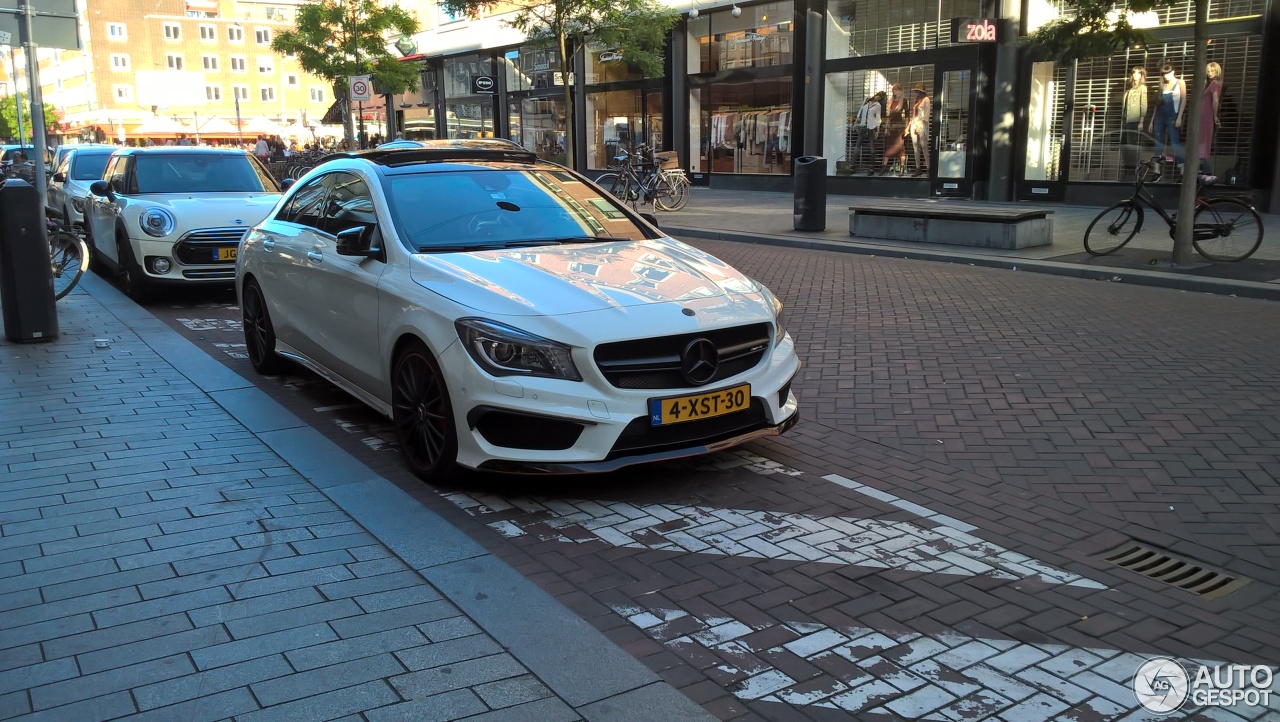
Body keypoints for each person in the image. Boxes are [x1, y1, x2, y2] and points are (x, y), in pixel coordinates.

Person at [1149, 63, 1186, 176]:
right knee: (1158, 143)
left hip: (1172, 116)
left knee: (1175, 143)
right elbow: (1157, 104)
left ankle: (1182, 172)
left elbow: (1183, 100)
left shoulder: (1180, 82)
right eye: (1164, 74)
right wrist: (1151, 120)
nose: (1166, 76)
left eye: (1167, 74)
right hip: (1160, 117)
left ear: (1173, 72)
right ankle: (1157, 170)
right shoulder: (1162, 85)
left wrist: (1179, 117)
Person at [1121, 67, 1148, 179]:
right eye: (1134, 73)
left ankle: (1133, 170)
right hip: (1127, 121)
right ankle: (1127, 167)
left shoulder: (1142, 88)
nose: (1135, 75)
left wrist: (1141, 121)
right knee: (1124, 145)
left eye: (1138, 73)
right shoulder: (1130, 89)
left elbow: (1144, 105)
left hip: (1135, 120)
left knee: (1132, 145)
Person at [1198, 61, 1223, 178]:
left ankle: (1206, 170)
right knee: (1202, 141)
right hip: (1203, 117)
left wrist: (1214, 115)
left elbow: (1215, 100)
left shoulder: (1214, 83)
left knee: (1204, 142)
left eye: (1212, 71)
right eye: (1208, 71)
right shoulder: (1208, 83)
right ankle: (1203, 169)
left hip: (1207, 116)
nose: (1210, 73)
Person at [882, 83, 907, 175]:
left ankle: (902, 168)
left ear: (900, 90)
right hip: (892, 127)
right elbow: (888, 117)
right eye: (893, 89)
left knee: (900, 148)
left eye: (896, 89)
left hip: (900, 127)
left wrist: (907, 128)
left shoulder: (903, 101)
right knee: (889, 146)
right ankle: (884, 167)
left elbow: (907, 116)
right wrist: (886, 128)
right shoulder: (890, 102)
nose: (894, 91)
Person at [907, 82, 931, 176]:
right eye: (916, 91)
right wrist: (909, 125)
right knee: (915, 146)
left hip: (922, 124)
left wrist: (920, 124)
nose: (917, 93)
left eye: (918, 91)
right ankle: (918, 168)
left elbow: (926, 114)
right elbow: (913, 115)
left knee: (924, 146)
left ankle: (928, 168)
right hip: (914, 123)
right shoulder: (916, 100)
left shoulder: (926, 100)